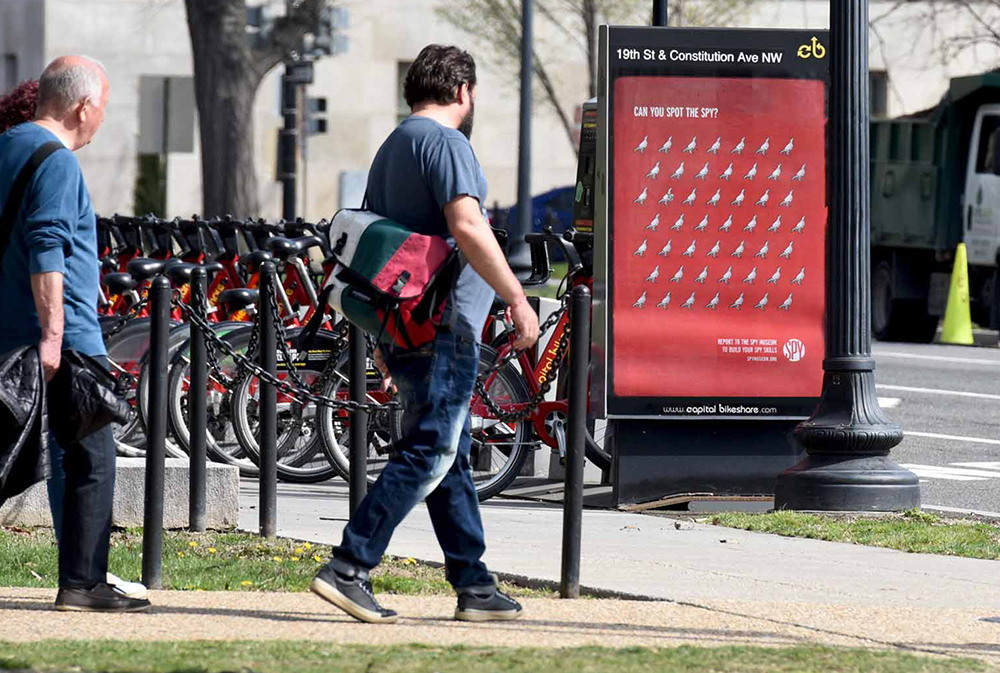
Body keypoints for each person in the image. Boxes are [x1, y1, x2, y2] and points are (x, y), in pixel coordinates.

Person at [310, 44, 540, 624]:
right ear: (463, 92)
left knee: (450, 455)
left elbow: (372, 250)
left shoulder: (393, 147)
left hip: (404, 324)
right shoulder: (447, 143)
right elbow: (466, 225)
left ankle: (474, 584)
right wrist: (516, 298)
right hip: (446, 325)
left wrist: (383, 343)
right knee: (431, 449)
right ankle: (349, 565)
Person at [0, 56, 150, 612]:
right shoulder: (57, 162)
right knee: (90, 458)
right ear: (83, 106)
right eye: (104, 107)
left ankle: (82, 578)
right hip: (58, 340)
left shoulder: (7, 146)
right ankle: (83, 583)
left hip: (7, 333)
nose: (102, 118)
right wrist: (55, 337)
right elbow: (47, 252)